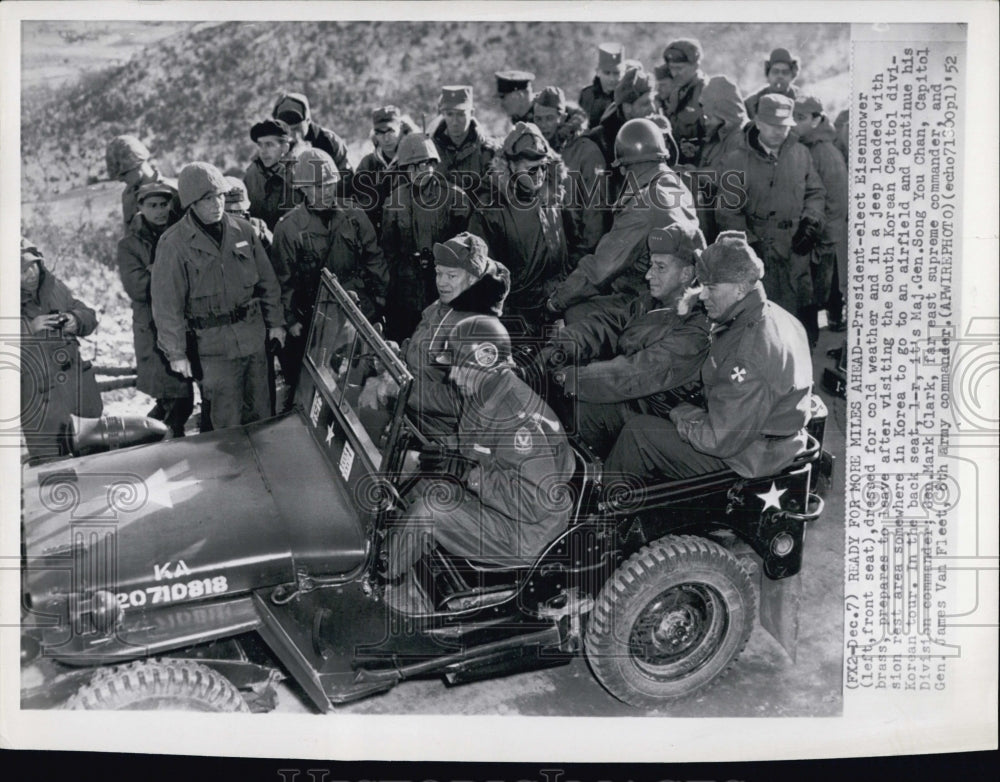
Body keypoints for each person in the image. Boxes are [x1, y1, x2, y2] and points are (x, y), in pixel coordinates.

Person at [384, 315, 574, 612]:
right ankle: (403, 546)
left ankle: (385, 584)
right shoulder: (483, 392)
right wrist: (438, 452)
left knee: (431, 509)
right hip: (499, 504)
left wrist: (468, 474)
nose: (453, 376)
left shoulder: (518, 420)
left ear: (488, 361)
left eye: (460, 366)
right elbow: (472, 444)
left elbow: (536, 502)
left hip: (526, 532)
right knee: (410, 464)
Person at [604, 230, 813, 481]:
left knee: (638, 435)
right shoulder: (773, 313)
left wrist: (679, 412)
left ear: (739, 288)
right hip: (756, 435)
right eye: (702, 286)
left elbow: (718, 439)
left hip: (748, 457)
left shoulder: (747, 356)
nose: (702, 295)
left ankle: (611, 513)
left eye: (711, 287)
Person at [538, 224, 710, 458]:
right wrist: (561, 348)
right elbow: (606, 324)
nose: (649, 275)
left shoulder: (696, 329)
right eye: (651, 265)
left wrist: (569, 379)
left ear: (687, 275)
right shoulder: (653, 301)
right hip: (633, 394)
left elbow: (634, 374)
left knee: (579, 410)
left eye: (660, 267)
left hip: (655, 411)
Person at [151, 162, 286, 430]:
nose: (217, 204)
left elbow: (268, 282)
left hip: (253, 338)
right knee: (226, 421)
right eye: (207, 198)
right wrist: (176, 353)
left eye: (220, 196)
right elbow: (167, 306)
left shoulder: (243, 231)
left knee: (262, 413)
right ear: (191, 203)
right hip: (212, 348)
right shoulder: (173, 244)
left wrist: (277, 324)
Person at [547, 117, 698, 321]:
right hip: (680, 294)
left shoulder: (643, 204)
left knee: (575, 314)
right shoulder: (677, 185)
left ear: (624, 167)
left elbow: (601, 268)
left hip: (649, 300)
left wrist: (556, 301)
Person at [271, 147, 389, 402]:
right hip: (315, 318)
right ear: (302, 188)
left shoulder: (354, 215)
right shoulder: (289, 228)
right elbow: (284, 279)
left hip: (358, 310)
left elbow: (374, 257)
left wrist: (379, 299)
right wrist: (291, 320)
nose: (325, 191)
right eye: (317, 186)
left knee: (359, 376)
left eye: (329, 184)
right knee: (314, 385)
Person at [715, 93, 826, 321]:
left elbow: (815, 193)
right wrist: (748, 245)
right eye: (772, 125)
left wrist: (810, 223)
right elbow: (727, 210)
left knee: (800, 320)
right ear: (757, 123)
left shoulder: (800, 154)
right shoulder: (736, 160)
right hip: (759, 252)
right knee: (761, 319)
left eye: (784, 126)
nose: (778, 131)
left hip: (795, 249)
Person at [403, 233, 510, 440]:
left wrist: (405, 390)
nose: (442, 283)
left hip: (439, 436)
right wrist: (401, 353)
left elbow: (462, 400)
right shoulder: (443, 305)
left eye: (451, 276)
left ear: (472, 278)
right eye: (438, 273)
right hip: (411, 416)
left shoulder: (480, 332)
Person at [469, 122, 569, 339]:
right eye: (532, 169)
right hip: (514, 322)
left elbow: (561, 262)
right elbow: (483, 277)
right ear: (511, 166)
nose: (540, 175)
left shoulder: (550, 201)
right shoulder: (490, 211)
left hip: (554, 312)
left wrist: (560, 309)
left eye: (543, 166)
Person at [116, 180, 194, 438]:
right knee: (175, 398)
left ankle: (140, 440)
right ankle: (157, 446)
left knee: (177, 398)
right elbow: (137, 288)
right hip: (153, 331)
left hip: (185, 325)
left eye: (164, 204)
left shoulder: (181, 231)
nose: (160, 210)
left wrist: (156, 271)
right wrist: (169, 271)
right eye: (152, 205)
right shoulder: (129, 245)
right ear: (140, 207)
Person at [381, 133, 472, 341]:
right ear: (404, 170)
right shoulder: (395, 200)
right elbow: (388, 251)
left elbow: (469, 249)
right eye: (411, 167)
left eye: (423, 164)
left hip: (447, 285)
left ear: (433, 164)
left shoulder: (455, 197)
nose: (418, 171)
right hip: (407, 291)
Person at [21, 238, 102, 462]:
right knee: (53, 470)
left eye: (33, 265)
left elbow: (87, 313)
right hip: (40, 403)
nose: (31, 274)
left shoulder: (54, 287)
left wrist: (76, 320)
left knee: (95, 462)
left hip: (79, 394)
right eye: (22, 270)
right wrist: (29, 328)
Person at [794, 96, 849, 343]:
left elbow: (837, 201)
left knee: (819, 291)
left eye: (801, 118)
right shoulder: (803, 147)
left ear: (817, 120)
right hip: (809, 234)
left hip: (821, 238)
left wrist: (822, 237)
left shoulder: (826, 152)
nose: (795, 124)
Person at [693, 75, 750, 242]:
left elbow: (730, 178)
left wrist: (695, 174)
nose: (705, 117)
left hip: (734, 226)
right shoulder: (718, 135)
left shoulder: (740, 138)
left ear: (722, 112)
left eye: (709, 115)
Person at [353, 105, 417, 240]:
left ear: (400, 129)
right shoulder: (368, 164)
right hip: (377, 237)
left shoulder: (414, 161)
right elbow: (361, 207)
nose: (386, 139)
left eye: (391, 131)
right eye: (380, 133)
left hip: (410, 235)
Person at [272, 92, 354, 193]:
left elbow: (347, 180)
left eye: (297, 129)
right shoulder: (270, 145)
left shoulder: (329, 141)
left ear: (308, 121)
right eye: (286, 130)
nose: (292, 136)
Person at [430, 85, 499, 196]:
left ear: (472, 113)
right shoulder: (431, 149)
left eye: (461, 114)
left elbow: (495, 192)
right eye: (449, 114)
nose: (455, 121)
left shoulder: (487, 150)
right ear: (442, 114)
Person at [105, 134, 182, 230]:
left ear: (137, 164)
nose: (120, 180)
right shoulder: (128, 196)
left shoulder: (173, 190)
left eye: (123, 174)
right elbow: (129, 236)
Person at [243, 119, 298, 231]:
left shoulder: (299, 174)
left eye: (269, 145)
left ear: (285, 148)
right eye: (260, 145)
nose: (263, 151)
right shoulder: (252, 174)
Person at [661, 39, 709, 167]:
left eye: (679, 68)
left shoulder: (706, 93)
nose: (675, 73)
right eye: (671, 68)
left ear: (695, 65)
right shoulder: (677, 90)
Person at [579, 42, 625, 129]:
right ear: (598, 72)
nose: (612, 79)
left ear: (622, 74)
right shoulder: (587, 95)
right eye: (607, 73)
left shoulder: (625, 98)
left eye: (616, 74)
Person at [745, 47, 800, 119]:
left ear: (792, 75)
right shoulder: (752, 103)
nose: (780, 76)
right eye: (775, 72)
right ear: (768, 74)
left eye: (785, 72)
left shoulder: (801, 100)